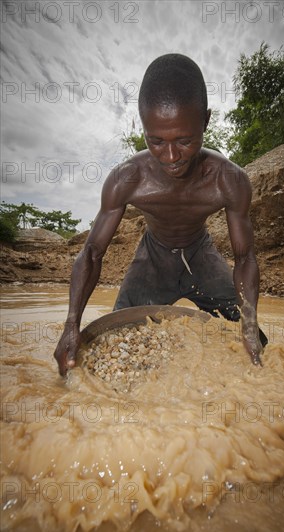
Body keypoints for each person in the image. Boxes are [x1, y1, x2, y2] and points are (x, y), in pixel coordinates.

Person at [54, 53, 267, 376]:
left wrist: (250, 325)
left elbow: (246, 257)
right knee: (110, 346)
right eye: (155, 141)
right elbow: (93, 253)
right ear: (143, 129)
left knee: (258, 347)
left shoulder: (229, 180)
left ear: (205, 122)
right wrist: (71, 324)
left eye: (184, 141)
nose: (170, 157)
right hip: (151, 261)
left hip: (202, 257)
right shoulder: (126, 178)